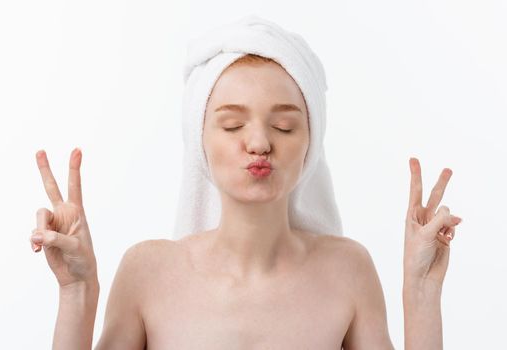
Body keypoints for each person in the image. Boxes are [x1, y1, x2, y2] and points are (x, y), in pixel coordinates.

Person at [30, 20, 462, 350]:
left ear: (311, 144)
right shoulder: (147, 272)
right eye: (233, 124)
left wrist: (421, 290)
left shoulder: (349, 271)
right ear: (199, 139)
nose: (259, 143)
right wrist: (76, 291)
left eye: (285, 126)